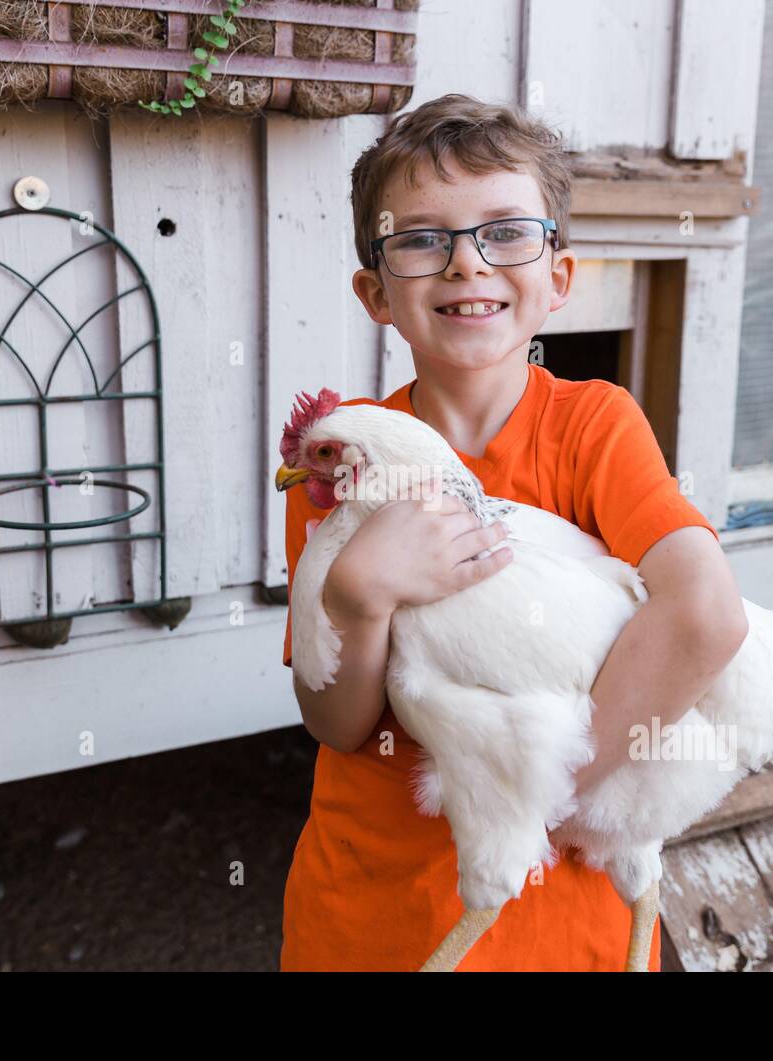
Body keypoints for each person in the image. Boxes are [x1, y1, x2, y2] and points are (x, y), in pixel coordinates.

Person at [279, 93, 748, 971]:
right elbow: (339, 726)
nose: (466, 264)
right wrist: (356, 593)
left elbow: (706, 614)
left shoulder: (594, 428)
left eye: (505, 231)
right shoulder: (344, 462)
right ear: (375, 292)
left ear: (559, 277)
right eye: (421, 238)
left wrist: (552, 801)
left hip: (558, 913)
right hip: (373, 900)